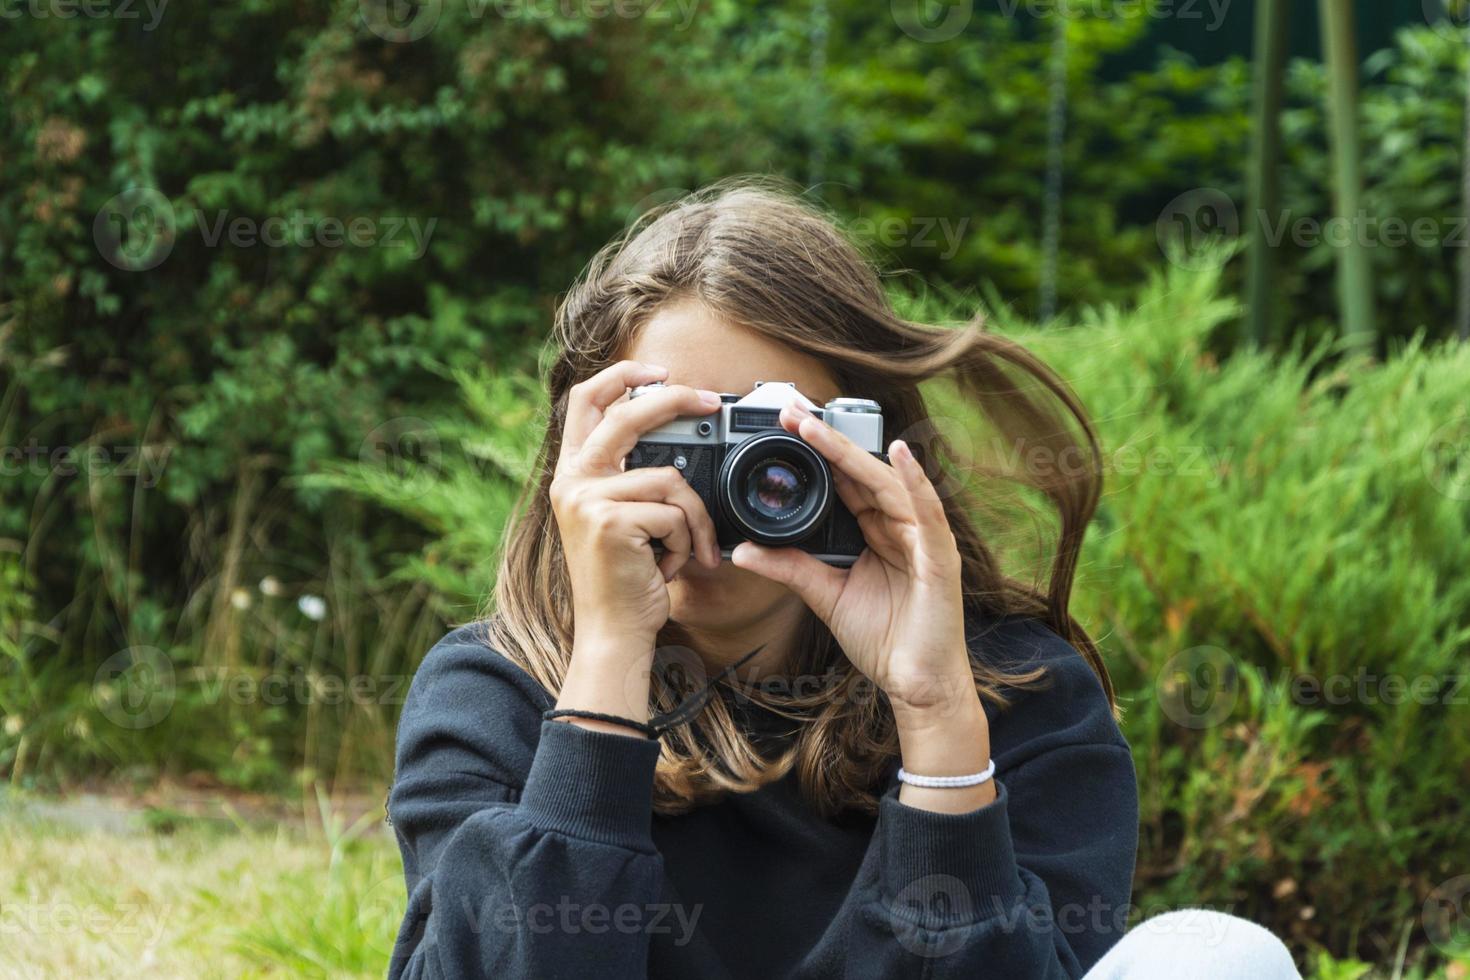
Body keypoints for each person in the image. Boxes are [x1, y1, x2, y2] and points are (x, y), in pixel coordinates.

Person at [384, 180, 1300, 979]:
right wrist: (606, 676)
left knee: (1222, 958)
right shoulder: (491, 698)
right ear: (580, 459)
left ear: (868, 450)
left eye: (770, 450)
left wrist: (938, 717)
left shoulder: (1019, 698)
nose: (716, 491)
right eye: (674, 441)